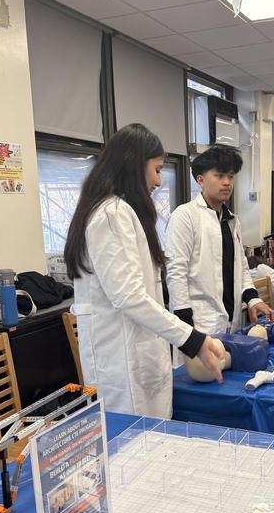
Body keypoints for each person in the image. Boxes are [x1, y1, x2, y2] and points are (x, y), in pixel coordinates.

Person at [64, 123, 225, 418]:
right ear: (133, 167)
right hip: (122, 366)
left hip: (140, 355)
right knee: (134, 447)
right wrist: (193, 339)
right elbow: (129, 297)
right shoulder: (111, 215)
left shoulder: (122, 212)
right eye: (157, 169)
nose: (158, 180)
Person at [165, 145, 273, 335]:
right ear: (201, 180)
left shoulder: (231, 220)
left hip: (232, 320)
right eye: (220, 176)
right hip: (200, 323)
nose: (227, 183)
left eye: (231, 177)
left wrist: (253, 299)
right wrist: (185, 325)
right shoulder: (185, 215)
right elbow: (176, 271)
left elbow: (241, 268)